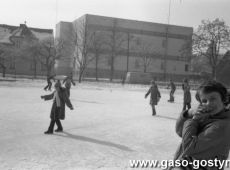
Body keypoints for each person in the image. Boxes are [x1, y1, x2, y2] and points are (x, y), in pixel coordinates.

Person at [170, 80, 230, 170]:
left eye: (213, 98)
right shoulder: (207, 117)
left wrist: (193, 120)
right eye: (204, 101)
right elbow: (180, 132)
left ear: (223, 99)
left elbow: (188, 148)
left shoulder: (222, 126)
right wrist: (188, 114)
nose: (208, 103)